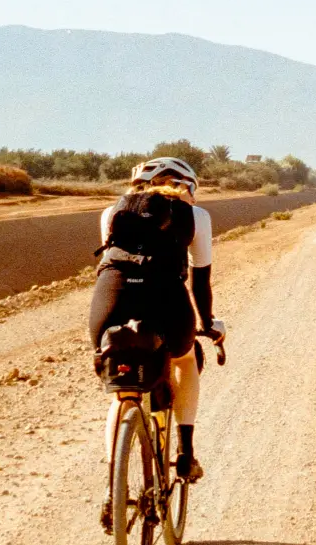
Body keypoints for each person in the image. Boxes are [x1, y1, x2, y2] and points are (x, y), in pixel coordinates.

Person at [89, 156, 222, 500]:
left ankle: (114, 490)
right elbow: (200, 281)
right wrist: (209, 324)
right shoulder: (196, 215)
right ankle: (186, 453)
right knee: (186, 359)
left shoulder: (112, 211)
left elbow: (110, 263)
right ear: (185, 185)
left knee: (122, 391)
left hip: (111, 297)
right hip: (166, 299)